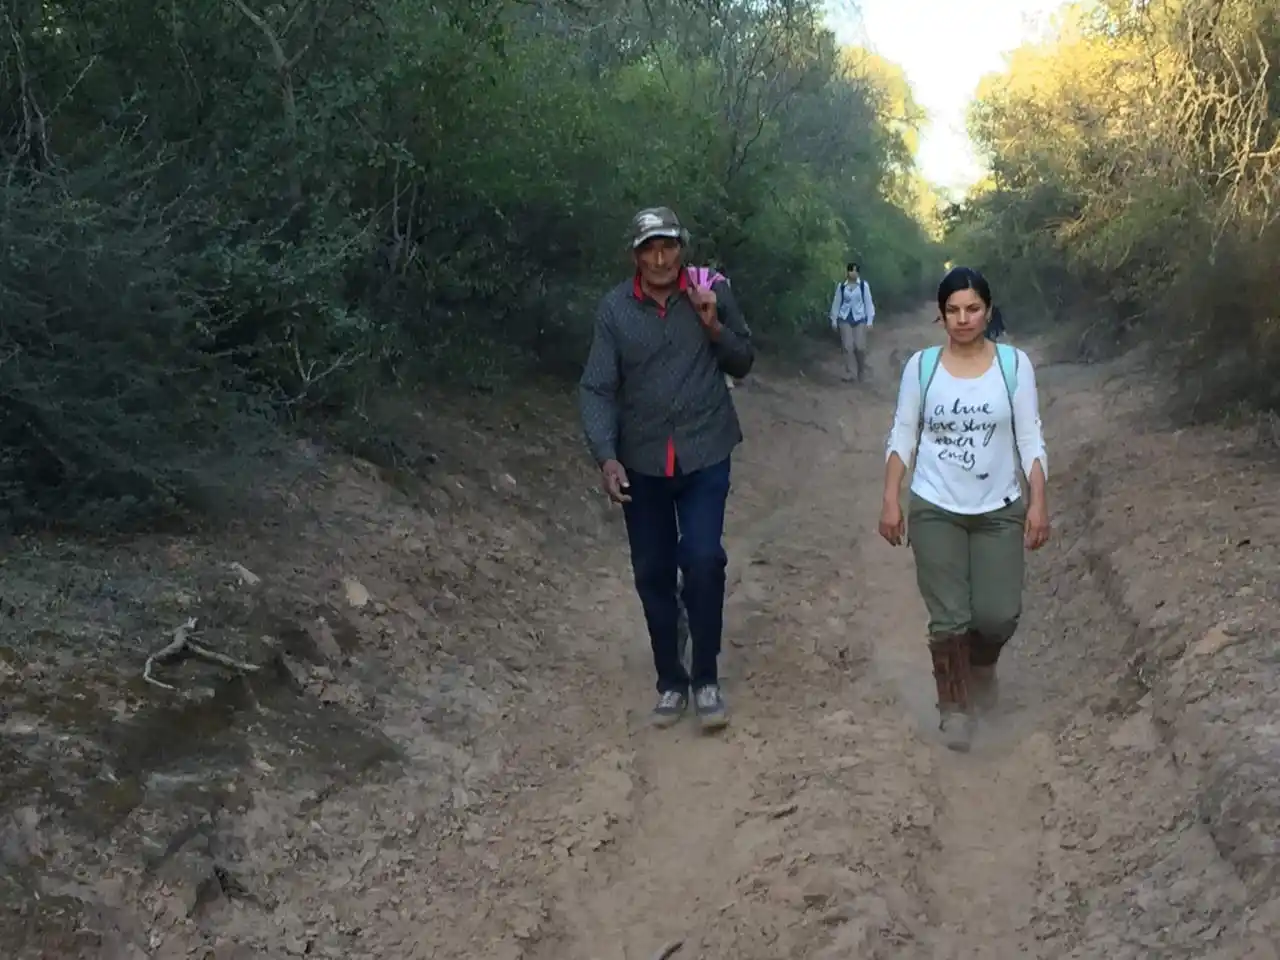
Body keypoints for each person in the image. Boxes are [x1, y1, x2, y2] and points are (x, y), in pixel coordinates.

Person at [579, 207, 755, 731]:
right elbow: (597, 387)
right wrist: (606, 455)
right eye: (649, 248)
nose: (660, 258)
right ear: (634, 254)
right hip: (643, 459)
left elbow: (744, 360)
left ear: (682, 248)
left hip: (705, 450)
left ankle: (704, 678)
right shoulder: (615, 310)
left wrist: (713, 324)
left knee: (702, 560)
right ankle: (669, 681)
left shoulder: (711, 290)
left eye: (668, 247)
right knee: (653, 572)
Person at [877, 267, 1051, 751]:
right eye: (953, 310)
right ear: (941, 315)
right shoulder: (922, 367)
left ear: (988, 311)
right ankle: (953, 706)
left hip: (999, 508)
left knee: (998, 616)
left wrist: (1038, 500)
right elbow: (903, 433)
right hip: (935, 505)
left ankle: (981, 668)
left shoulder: (1013, 366)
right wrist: (891, 496)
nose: (963, 318)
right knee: (949, 616)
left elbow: (1030, 436)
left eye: (972, 308)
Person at [829, 262, 876, 381]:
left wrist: (870, 320)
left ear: (858, 272)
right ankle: (850, 373)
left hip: (860, 318)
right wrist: (834, 319)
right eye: (851, 270)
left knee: (860, 346)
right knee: (847, 346)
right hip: (844, 318)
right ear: (847, 272)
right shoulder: (842, 286)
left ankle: (861, 370)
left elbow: (868, 303)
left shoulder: (863, 286)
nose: (853, 273)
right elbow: (837, 303)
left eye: (855, 271)